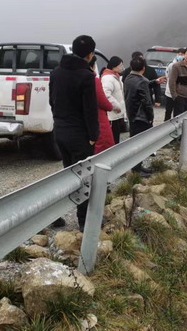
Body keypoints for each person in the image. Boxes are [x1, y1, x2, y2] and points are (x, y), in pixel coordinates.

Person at [49, 35, 98, 229]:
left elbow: (52, 101)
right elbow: (90, 110)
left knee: (67, 174)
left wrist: (59, 122)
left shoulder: (56, 73)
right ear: (90, 54)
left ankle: (55, 215)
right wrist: (93, 136)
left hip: (60, 131)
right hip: (79, 135)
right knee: (84, 178)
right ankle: (84, 221)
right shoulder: (86, 76)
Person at [123, 57, 154, 175]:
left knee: (135, 141)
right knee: (140, 144)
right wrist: (150, 116)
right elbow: (147, 102)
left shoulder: (128, 78)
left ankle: (137, 167)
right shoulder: (141, 81)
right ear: (143, 68)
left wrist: (154, 82)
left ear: (131, 67)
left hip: (132, 115)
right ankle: (136, 169)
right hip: (141, 117)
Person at [90, 57, 116, 154]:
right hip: (98, 119)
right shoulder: (93, 80)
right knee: (103, 148)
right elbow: (102, 101)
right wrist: (111, 106)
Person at [101, 56, 127, 145]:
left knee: (116, 137)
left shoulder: (115, 76)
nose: (122, 67)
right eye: (120, 65)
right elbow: (106, 94)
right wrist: (116, 106)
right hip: (112, 114)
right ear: (114, 66)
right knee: (113, 138)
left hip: (117, 114)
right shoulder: (107, 78)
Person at [169, 46, 187, 117]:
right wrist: (174, 96)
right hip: (179, 95)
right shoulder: (177, 66)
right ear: (184, 54)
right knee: (178, 117)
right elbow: (172, 81)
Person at [163, 48, 187, 121]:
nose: (180, 56)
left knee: (178, 113)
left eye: (182, 54)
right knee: (168, 111)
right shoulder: (171, 65)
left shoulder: (186, 66)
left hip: (180, 94)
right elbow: (168, 76)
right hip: (169, 93)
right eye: (178, 54)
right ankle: (166, 128)